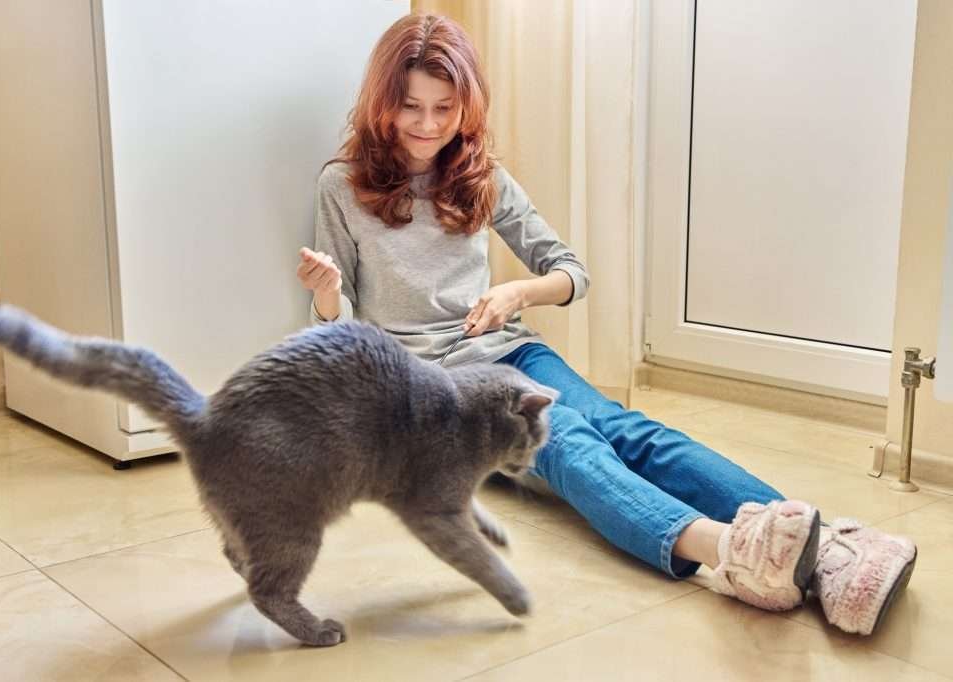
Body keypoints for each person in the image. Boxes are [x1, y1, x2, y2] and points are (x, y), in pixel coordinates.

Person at [294, 13, 916, 636]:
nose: (428, 125)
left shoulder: (482, 179)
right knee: (562, 436)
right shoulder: (342, 188)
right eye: (411, 107)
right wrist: (327, 297)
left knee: (628, 428)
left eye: (445, 108)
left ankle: (829, 546)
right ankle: (732, 552)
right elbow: (343, 337)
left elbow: (570, 273)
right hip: (429, 386)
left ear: (467, 105)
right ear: (383, 102)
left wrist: (518, 292)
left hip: (505, 350)